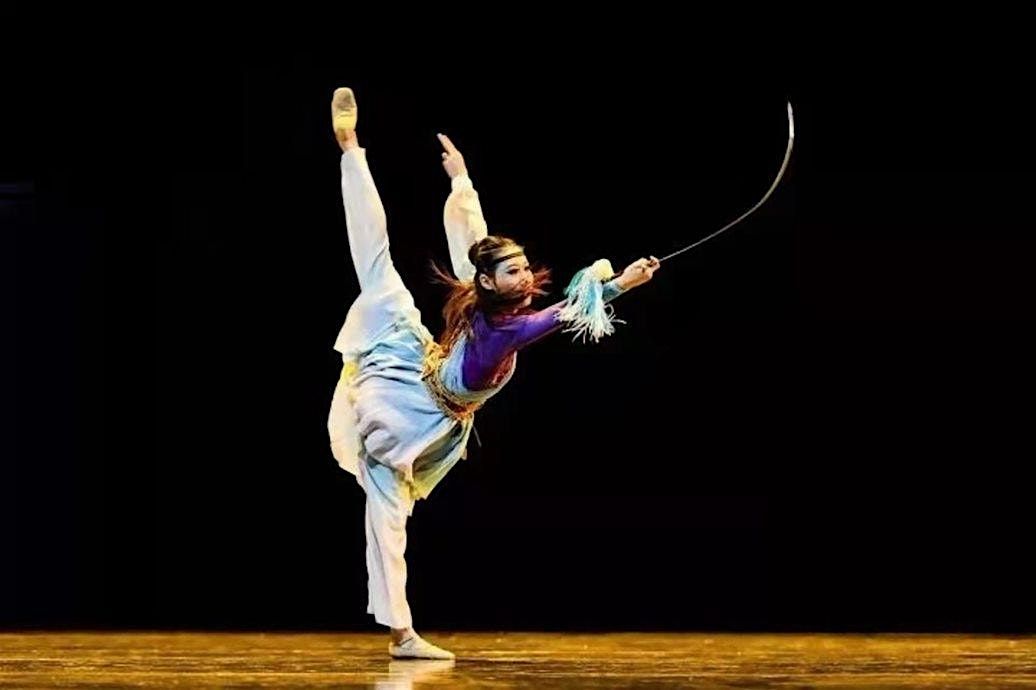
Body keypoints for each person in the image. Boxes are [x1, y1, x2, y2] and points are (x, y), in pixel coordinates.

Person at [326, 87, 659, 659]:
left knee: (403, 269)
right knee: (377, 270)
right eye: (512, 271)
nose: (525, 276)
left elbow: (474, 243)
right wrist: (623, 282)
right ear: (489, 283)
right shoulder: (506, 327)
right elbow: (565, 313)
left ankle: (402, 633)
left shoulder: (488, 301)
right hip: (410, 407)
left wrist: (460, 180)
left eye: (525, 266)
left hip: (429, 386)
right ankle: (351, 148)